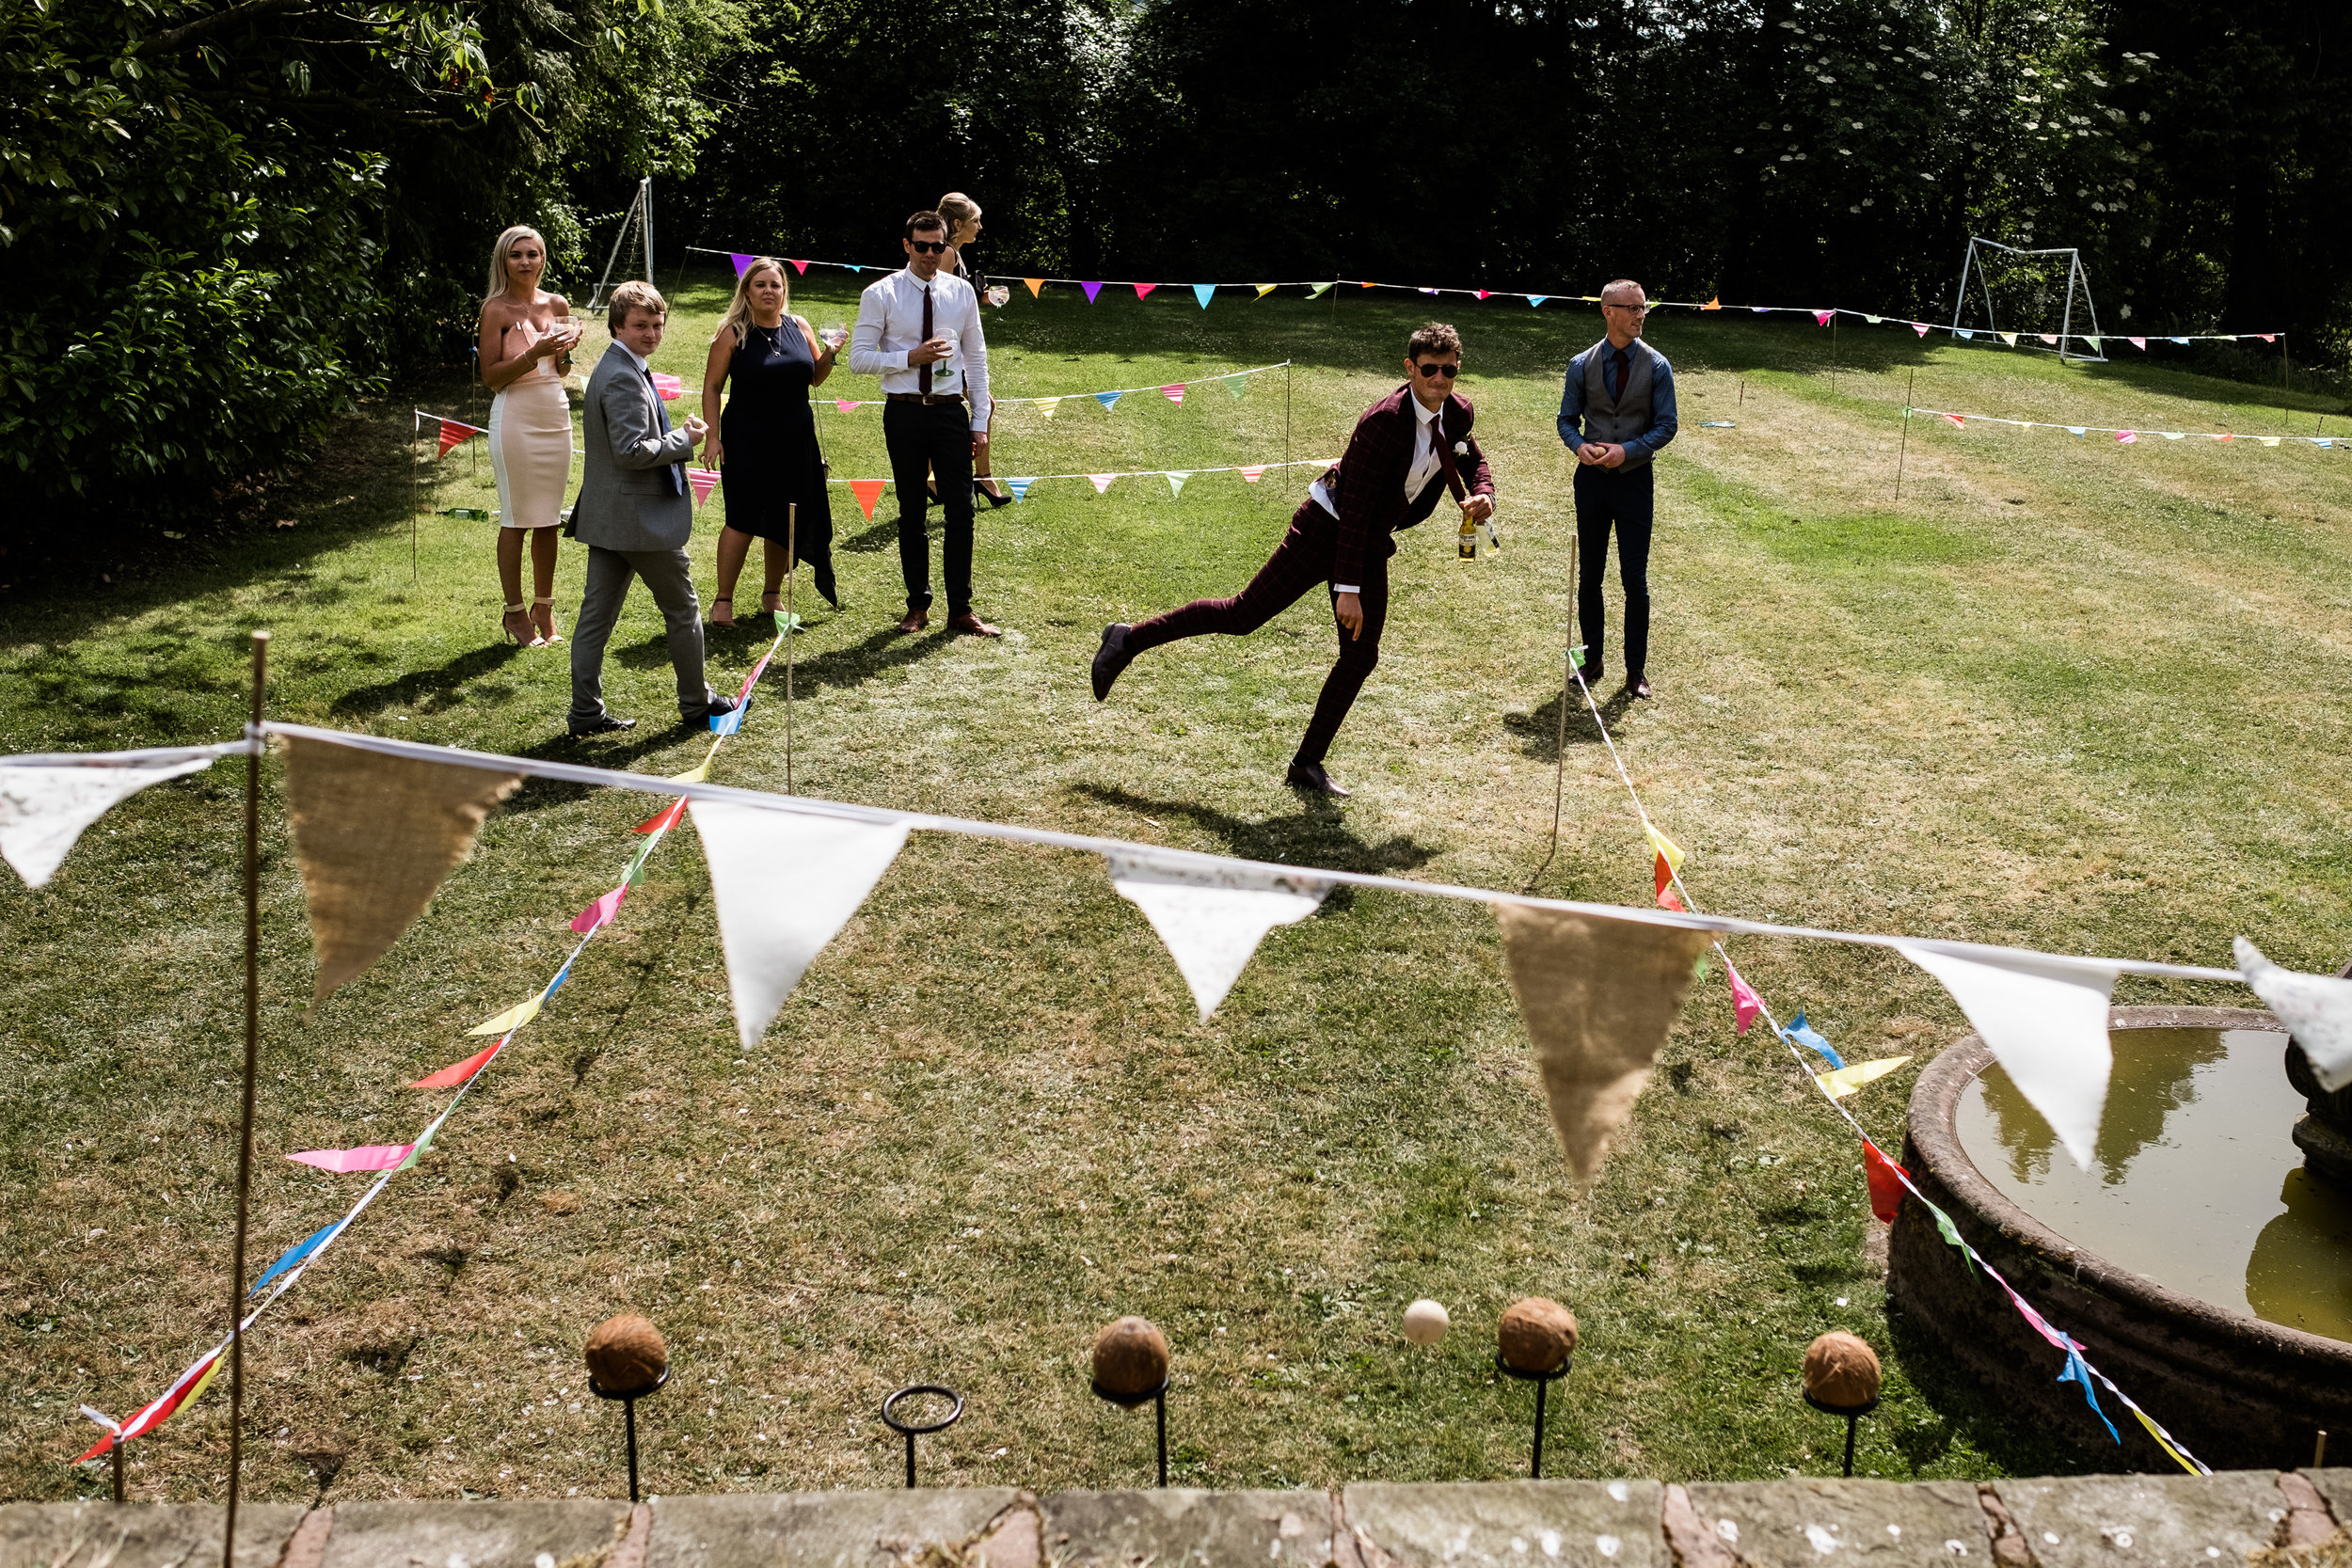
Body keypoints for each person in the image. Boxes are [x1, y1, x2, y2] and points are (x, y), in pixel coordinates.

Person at [1090, 323, 1497, 797]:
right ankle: (1127, 639)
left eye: (1449, 369)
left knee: (1359, 656)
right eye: (1430, 369)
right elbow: (1355, 509)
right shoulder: (1383, 422)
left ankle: (1306, 764)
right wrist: (1347, 589)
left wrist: (1483, 492)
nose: (1440, 379)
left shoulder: (1458, 411)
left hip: (1366, 540)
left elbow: (1470, 458)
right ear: (1410, 369)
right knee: (1243, 616)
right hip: (1326, 529)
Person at [566, 281, 739, 736]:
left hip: (609, 516)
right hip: (637, 521)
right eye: (640, 325)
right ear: (617, 326)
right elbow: (630, 451)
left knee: (595, 619)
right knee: (683, 609)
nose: (651, 333)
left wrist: (676, 432)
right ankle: (696, 704)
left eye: (657, 324)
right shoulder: (622, 373)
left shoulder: (620, 364)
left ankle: (585, 712)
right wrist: (686, 440)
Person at [850, 210, 1001, 637]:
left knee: (961, 511)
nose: (931, 254)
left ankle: (962, 610)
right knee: (912, 512)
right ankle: (917, 606)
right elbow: (859, 358)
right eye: (923, 246)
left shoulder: (961, 292)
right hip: (904, 411)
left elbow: (976, 357)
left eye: (939, 246)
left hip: (951, 411)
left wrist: (979, 418)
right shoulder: (881, 293)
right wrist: (909, 358)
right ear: (906, 246)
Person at [699, 257, 840, 626]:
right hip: (746, 438)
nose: (768, 291)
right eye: (760, 284)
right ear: (747, 290)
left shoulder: (799, 325)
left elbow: (815, 378)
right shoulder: (732, 332)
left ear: (783, 290)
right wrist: (713, 437)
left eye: (775, 285)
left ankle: (771, 596)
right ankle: (722, 600)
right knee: (742, 519)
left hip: (795, 439)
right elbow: (712, 387)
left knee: (785, 517)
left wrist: (829, 353)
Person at [1557, 278, 1677, 700]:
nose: (1640, 315)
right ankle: (1592, 662)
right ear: (1608, 311)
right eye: (1632, 308)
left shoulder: (1658, 366)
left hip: (1634, 483)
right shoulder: (1581, 364)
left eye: (1643, 308)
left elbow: (1667, 425)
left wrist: (1627, 451)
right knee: (1589, 576)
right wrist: (1580, 446)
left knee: (1634, 580)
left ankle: (1636, 671)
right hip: (1590, 482)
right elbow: (1566, 420)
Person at [478, 225, 582, 647]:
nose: (526, 262)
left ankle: (544, 607)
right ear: (504, 260)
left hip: (554, 415)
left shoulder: (557, 303)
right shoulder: (496, 310)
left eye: (533, 254)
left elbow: (561, 371)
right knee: (517, 518)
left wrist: (564, 352)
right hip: (516, 417)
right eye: (517, 254)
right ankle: (515, 613)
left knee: (548, 520)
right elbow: (491, 378)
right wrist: (534, 353)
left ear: (543, 259)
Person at [937, 192, 1011, 509]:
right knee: (984, 405)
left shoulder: (957, 254)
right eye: (975, 221)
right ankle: (982, 478)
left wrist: (986, 297)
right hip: (948, 348)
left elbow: (959, 297)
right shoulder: (947, 255)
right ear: (957, 224)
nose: (980, 226)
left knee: (976, 407)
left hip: (958, 344)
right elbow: (935, 300)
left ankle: (933, 480)